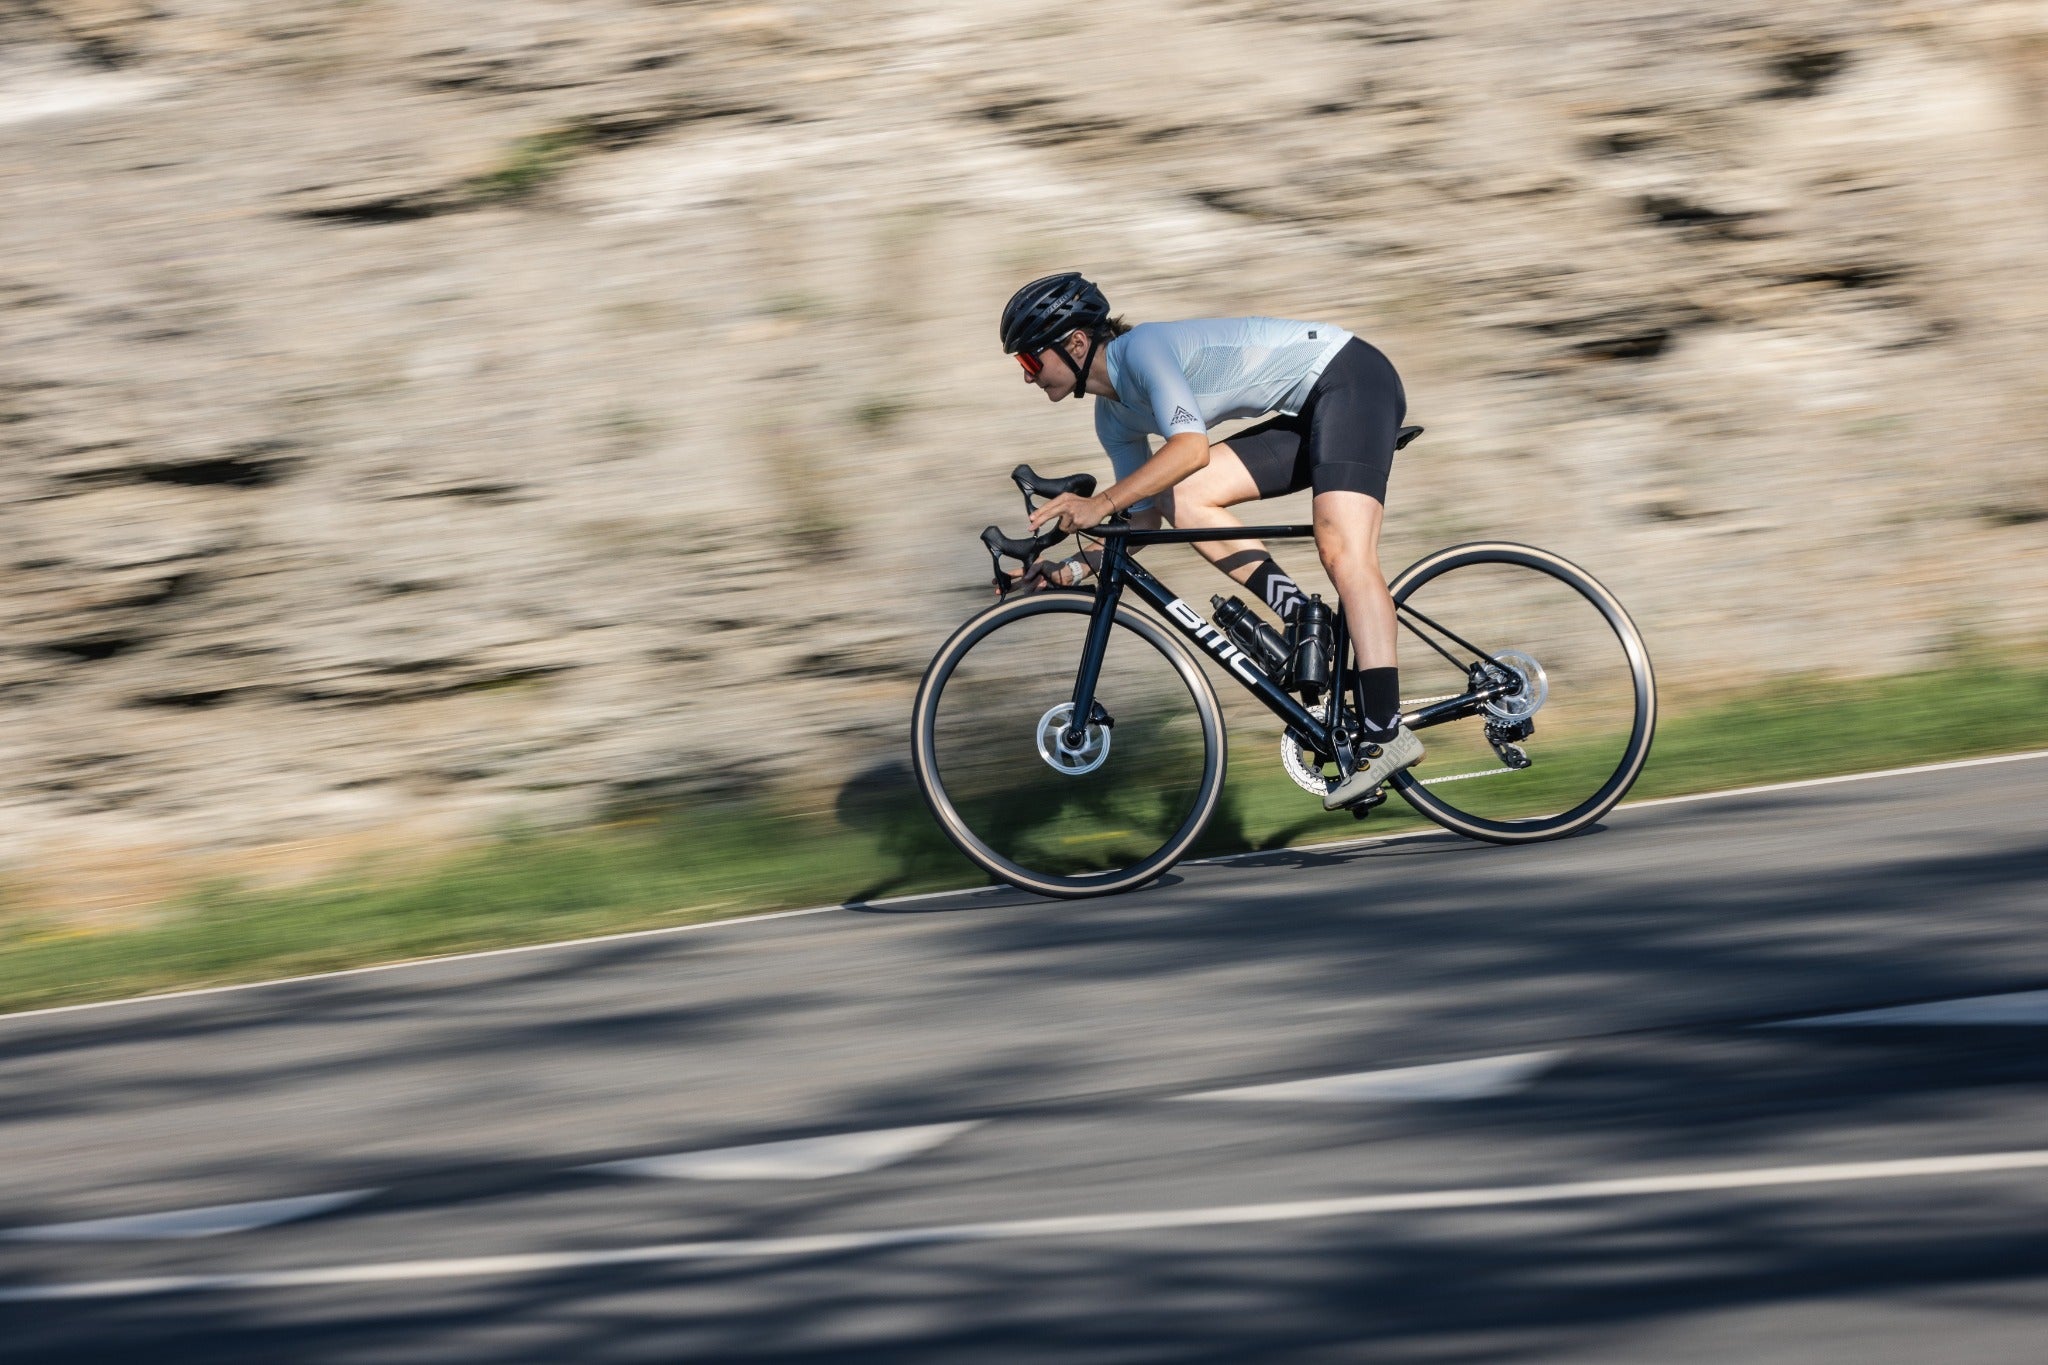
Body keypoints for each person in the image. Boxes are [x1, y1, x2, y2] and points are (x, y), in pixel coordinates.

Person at [1001, 270, 1420, 809]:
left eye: (1031, 361)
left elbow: (1191, 449)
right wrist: (1067, 570)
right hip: (1308, 412)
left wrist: (1101, 503)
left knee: (1342, 548)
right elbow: (1147, 519)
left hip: (1350, 379)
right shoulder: (1113, 418)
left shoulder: (1142, 348)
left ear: (1076, 342)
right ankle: (1300, 618)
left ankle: (1387, 732)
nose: (1028, 377)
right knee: (1180, 497)